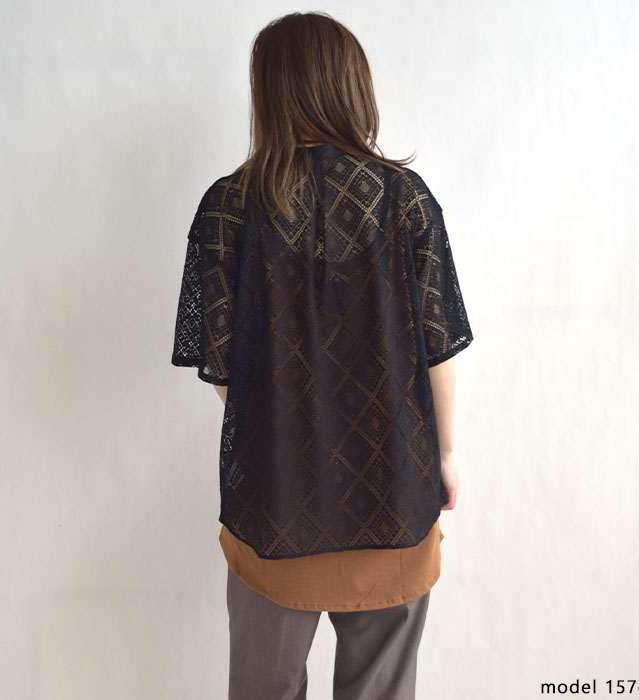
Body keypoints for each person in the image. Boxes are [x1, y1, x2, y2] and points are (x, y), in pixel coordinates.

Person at [171, 10, 474, 700]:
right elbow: (438, 352)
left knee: (264, 688)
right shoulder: (405, 200)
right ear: (351, 86)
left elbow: (224, 370)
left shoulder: (228, 207)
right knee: (381, 689)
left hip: (275, 496)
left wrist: (290, 423)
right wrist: (447, 454)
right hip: (394, 490)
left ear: (268, 91)